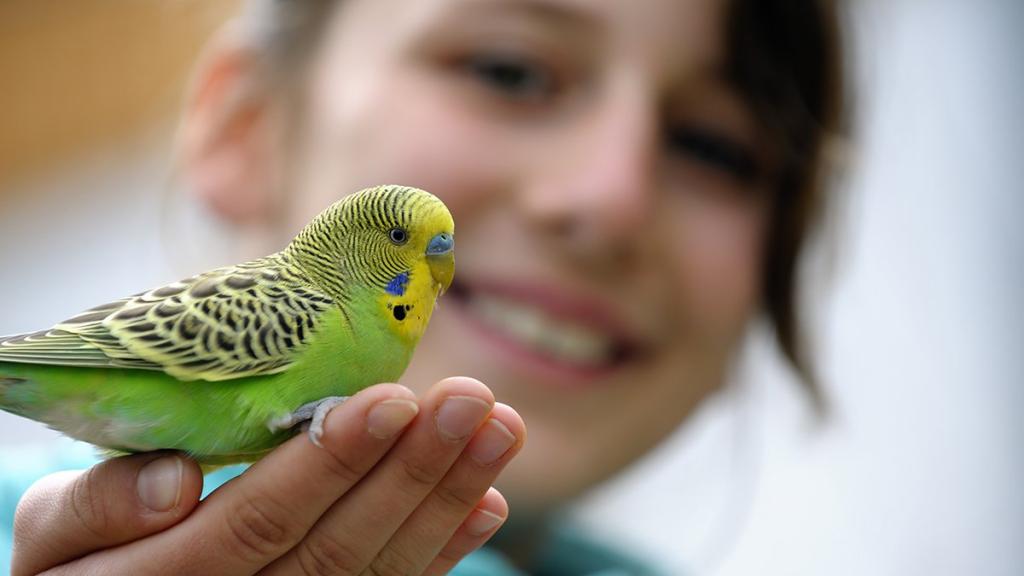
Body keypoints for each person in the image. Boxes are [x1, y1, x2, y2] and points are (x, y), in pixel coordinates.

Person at [2, 0, 844, 573]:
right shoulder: (306, 311)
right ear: (245, 129)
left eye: (714, 147)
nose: (610, 199)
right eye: (508, 71)